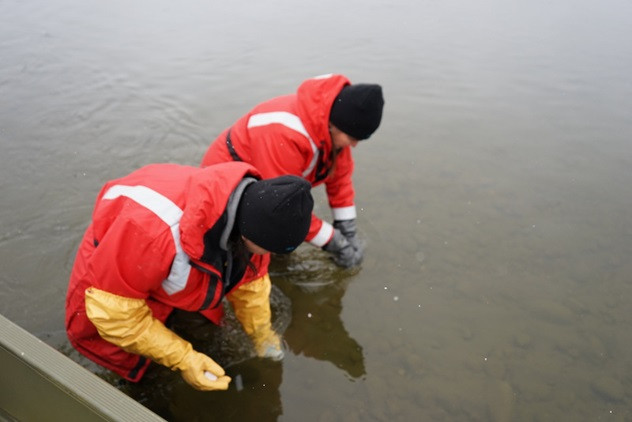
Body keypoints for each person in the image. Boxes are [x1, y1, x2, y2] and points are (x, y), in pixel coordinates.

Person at [65, 161, 313, 391]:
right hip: (114, 267)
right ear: (248, 236)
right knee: (139, 371)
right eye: (269, 249)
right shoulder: (151, 231)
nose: (268, 255)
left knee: (198, 323)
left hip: (163, 257)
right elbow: (114, 316)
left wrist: (262, 335)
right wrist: (183, 359)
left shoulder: (257, 217)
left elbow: (252, 285)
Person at [201, 73, 384, 269]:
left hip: (267, 185)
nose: (354, 145)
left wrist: (347, 228)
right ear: (334, 125)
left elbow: (339, 180)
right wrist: (332, 240)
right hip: (225, 184)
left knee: (279, 241)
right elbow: (282, 205)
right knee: (240, 259)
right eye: (352, 138)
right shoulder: (283, 133)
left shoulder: (334, 130)